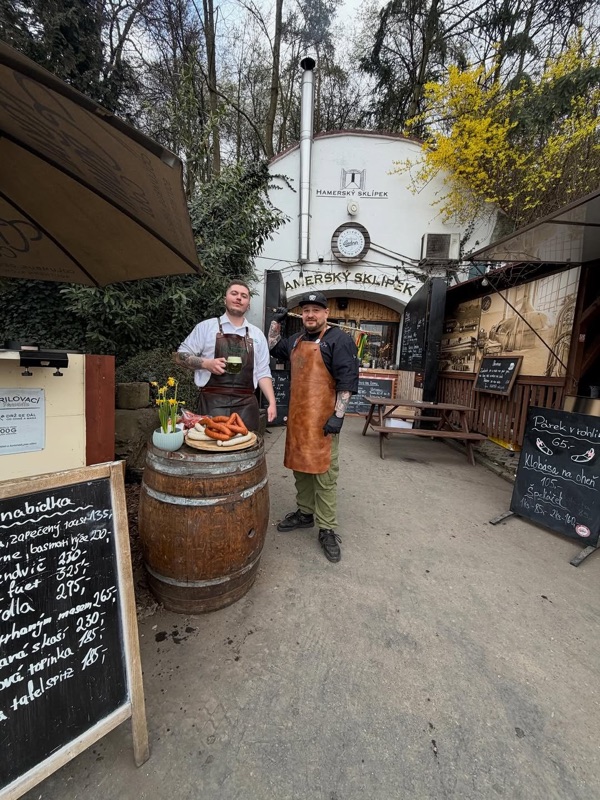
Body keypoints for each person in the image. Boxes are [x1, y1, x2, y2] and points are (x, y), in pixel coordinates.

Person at [268, 291, 359, 563]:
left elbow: (347, 381)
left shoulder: (339, 340)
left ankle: (327, 528)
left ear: (325, 313)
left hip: (323, 424)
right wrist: (276, 324)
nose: (310, 315)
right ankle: (305, 513)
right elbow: (273, 346)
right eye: (306, 310)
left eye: (316, 310)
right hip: (298, 421)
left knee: (325, 476)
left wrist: (338, 416)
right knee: (301, 470)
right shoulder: (295, 340)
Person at [175, 280, 277, 430]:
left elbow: (263, 372)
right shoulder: (206, 327)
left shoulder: (257, 335)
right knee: (210, 450)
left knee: (246, 451)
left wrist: (272, 403)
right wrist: (206, 364)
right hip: (211, 404)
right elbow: (179, 356)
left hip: (247, 407)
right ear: (225, 299)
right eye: (234, 293)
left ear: (248, 304)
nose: (238, 298)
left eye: (244, 296)